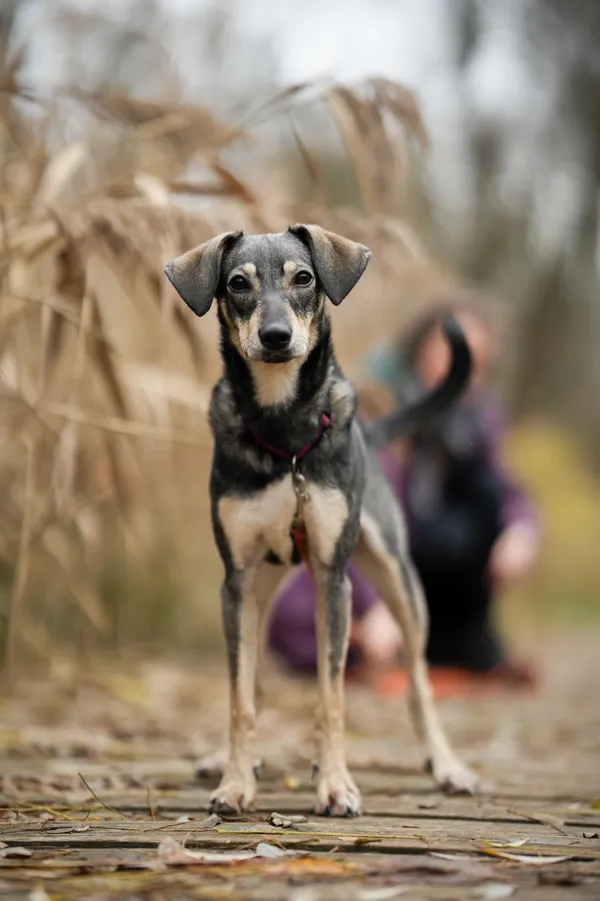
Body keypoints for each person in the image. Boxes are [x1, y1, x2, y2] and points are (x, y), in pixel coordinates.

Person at [267, 295, 541, 688]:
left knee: (482, 502)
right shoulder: (372, 407)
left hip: (430, 571)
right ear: (421, 348)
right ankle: (371, 640)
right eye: (452, 352)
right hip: (364, 569)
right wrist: (376, 605)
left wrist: (521, 531)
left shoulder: (479, 422)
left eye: (475, 365)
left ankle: (456, 647)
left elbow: (509, 491)